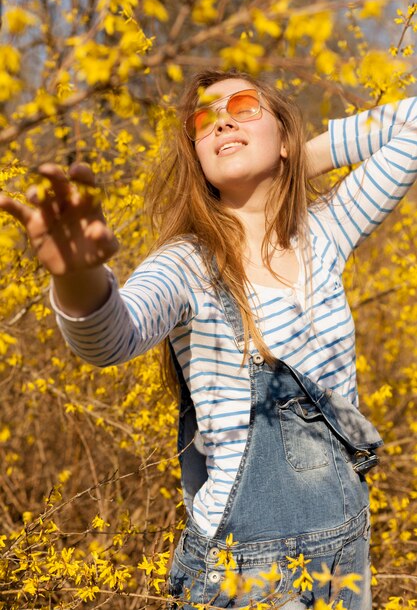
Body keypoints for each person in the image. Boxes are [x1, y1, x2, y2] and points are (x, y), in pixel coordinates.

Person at [1, 69, 416, 610]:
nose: (221, 120)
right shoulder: (188, 265)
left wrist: (299, 162)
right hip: (245, 574)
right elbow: (110, 339)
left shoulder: (326, 231)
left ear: (285, 136)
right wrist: (76, 278)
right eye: (205, 119)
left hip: (345, 551)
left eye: (244, 107)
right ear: (197, 156)